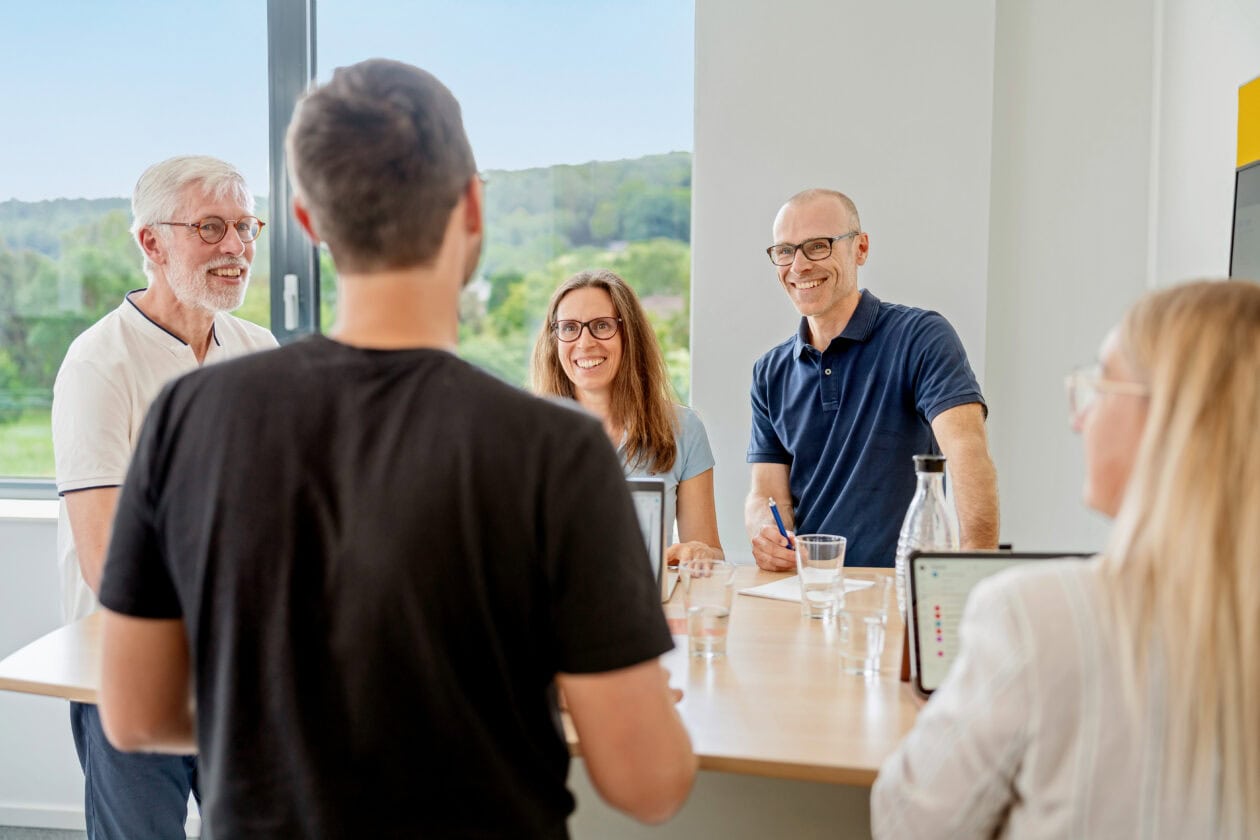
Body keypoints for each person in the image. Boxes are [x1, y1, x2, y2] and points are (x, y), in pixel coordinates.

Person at [94, 59, 696, 838]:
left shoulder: (189, 413)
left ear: (308, 220)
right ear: (472, 205)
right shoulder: (557, 448)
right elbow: (648, 782)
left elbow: (136, 714)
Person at [872, 280, 1260, 838]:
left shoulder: (1034, 616)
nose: (1079, 419)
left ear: (1173, 418)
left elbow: (907, 822)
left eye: (1099, 386)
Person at [49, 155, 277, 839]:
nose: (236, 248)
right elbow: (109, 562)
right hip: (132, 664)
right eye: (211, 227)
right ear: (151, 242)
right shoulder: (99, 364)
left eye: (246, 227)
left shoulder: (257, 349)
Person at [745, 188, 999, 569]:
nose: (798, 266)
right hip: (813, 588)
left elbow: (967, 451)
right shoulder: (769, 372)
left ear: (860, 249)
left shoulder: (921, 337)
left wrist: (973, 573)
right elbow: (765, 494)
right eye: (785, 251)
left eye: (818, 246)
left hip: (898, 587)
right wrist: (764, 527)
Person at [532, 268, 723, 565]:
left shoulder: (684, 429)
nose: (585, 343)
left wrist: (699, 555)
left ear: (629, 334)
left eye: (602, 326)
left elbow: (711, 553)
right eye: (569, 328)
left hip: (646, 607)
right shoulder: (528, 434)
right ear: (554, 339)